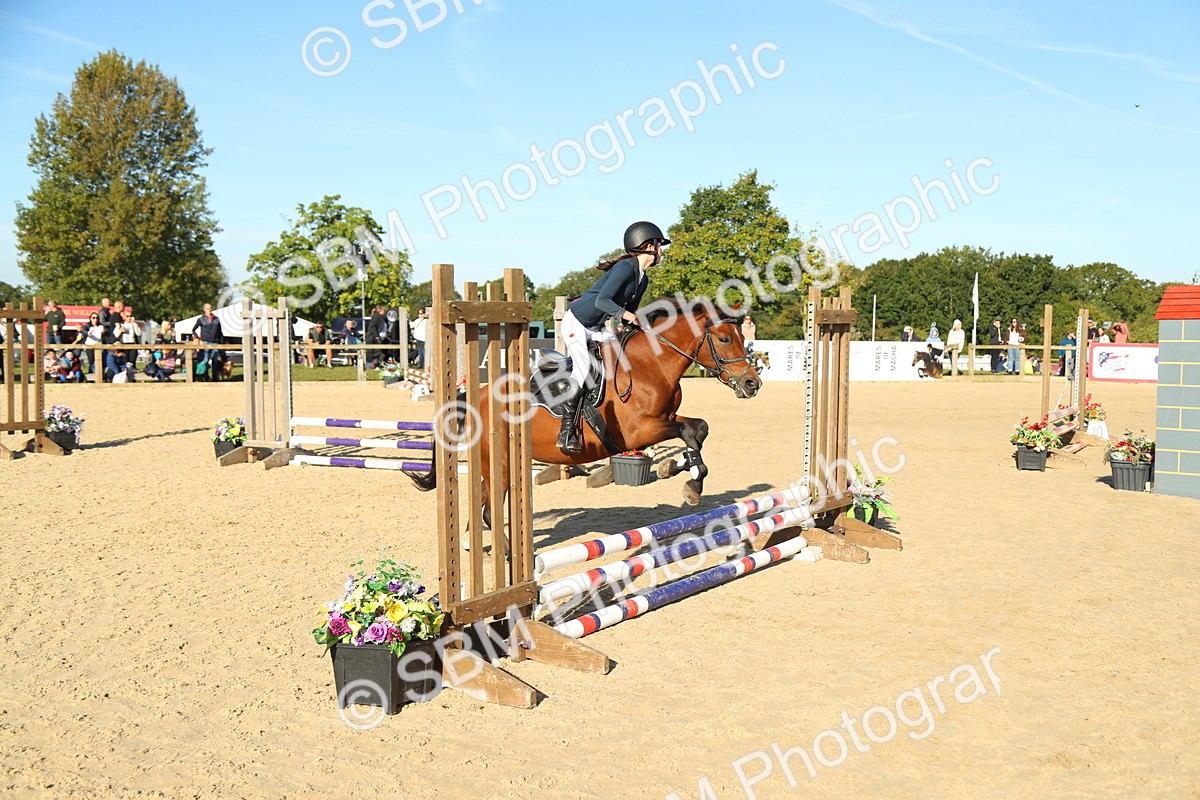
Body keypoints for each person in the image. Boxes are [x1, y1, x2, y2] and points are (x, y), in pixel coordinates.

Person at [557, 220, 668, 453]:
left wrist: (645, 327)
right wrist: (628, 315)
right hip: (577, 322)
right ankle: (566, 431)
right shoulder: (625, 268)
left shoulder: (643, 278)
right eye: (660, 245)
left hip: (596, 326)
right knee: (584, 365)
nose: (662, 251)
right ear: (648, 245)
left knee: (621, 357)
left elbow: (630, 316)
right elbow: (602, 301)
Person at [191, 303, 224, 381]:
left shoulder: (216, 319)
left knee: (216, 361)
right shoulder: (201, 319)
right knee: (205, 360)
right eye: (208, 308)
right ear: (204, 309)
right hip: (205, 342)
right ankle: (204, 378)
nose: (210, 310)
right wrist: (198, 338)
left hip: (215, 342)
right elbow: (193, 329)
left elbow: (220, 332)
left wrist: (221, 342)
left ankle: (215, 378)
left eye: (211, 308)